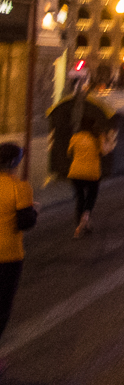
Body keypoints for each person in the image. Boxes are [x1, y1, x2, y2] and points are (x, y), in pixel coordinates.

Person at [0, 143, 36, 374]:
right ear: (14, 163)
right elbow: (25, 221)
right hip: (8, 256)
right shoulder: (19, 187)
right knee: (1, 307)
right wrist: (34, 211)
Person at [67, 116, 115, 238]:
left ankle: (81, 226)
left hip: (75, 173)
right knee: (91, 197)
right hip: (92, 174)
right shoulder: (98, 138)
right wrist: (107, 139)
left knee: (80, 198)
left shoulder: (75, 137)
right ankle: (86, 216)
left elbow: (69, 153)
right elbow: (105, 152)